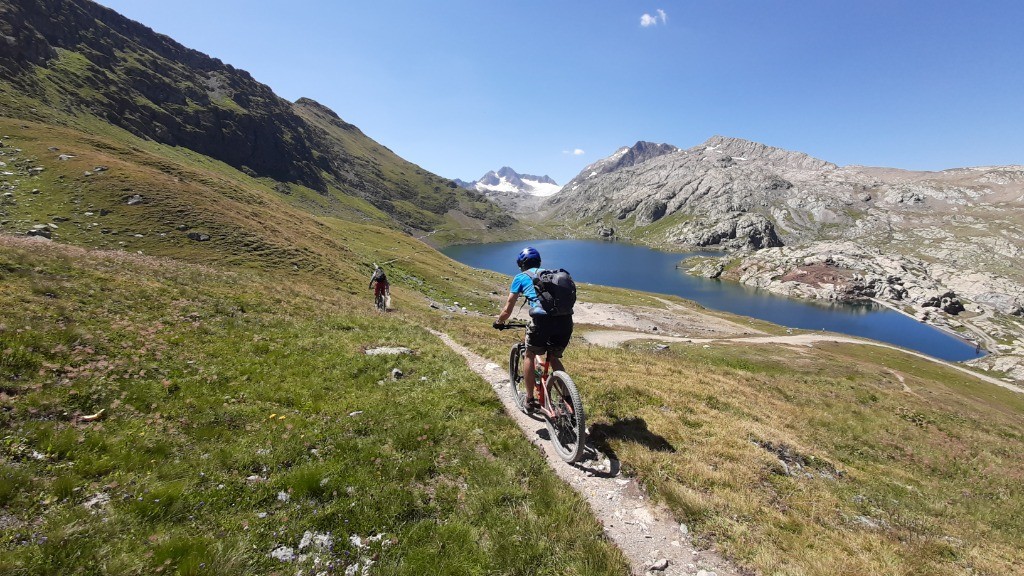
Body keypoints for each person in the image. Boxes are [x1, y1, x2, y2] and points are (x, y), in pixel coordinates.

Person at [493, 247, 573, 411]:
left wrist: (499, 322)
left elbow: (508, 309)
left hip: (542, 322)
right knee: (553, 357)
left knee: (529, 354)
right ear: (539, 262)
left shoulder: (521, 277)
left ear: (521, 264)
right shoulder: (551, 274)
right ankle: (569, 399)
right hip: (565, 322)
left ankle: (529, 400)